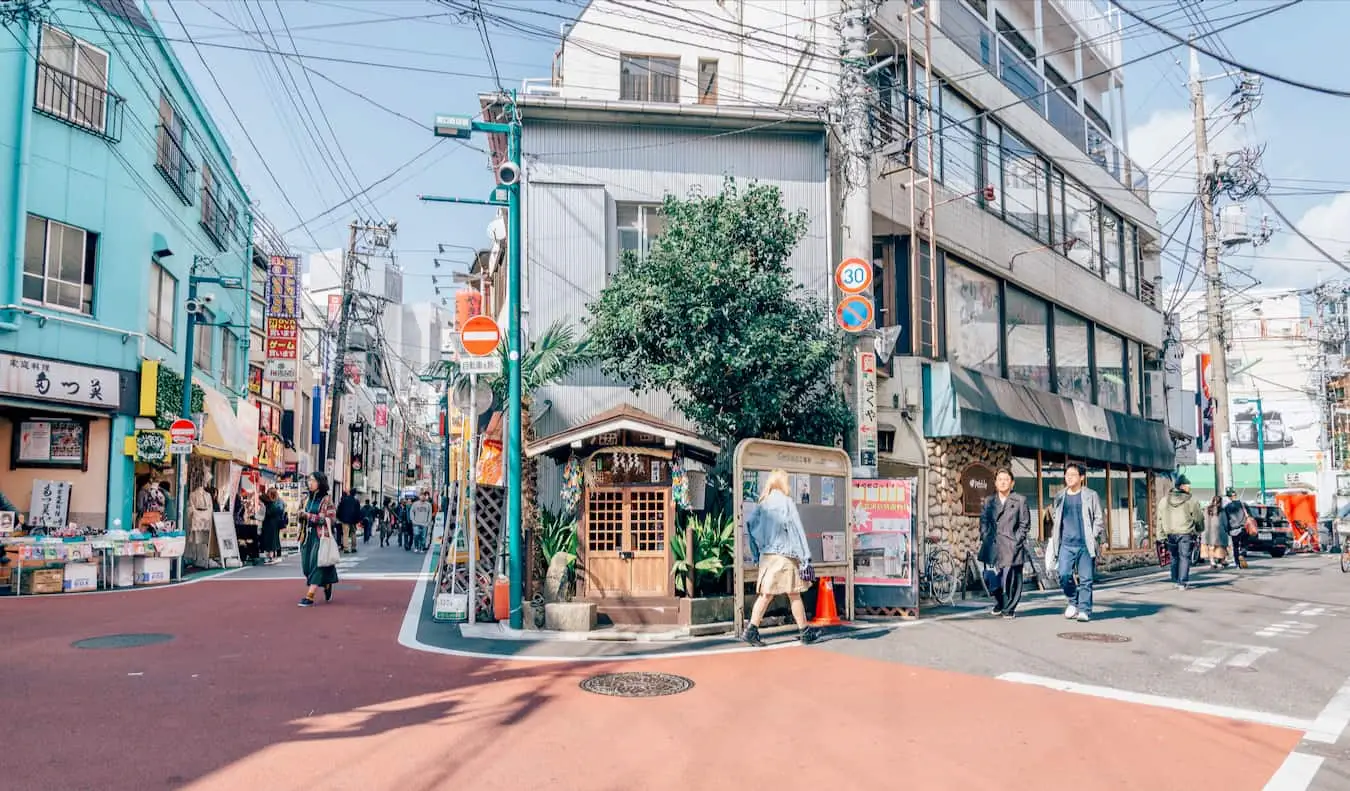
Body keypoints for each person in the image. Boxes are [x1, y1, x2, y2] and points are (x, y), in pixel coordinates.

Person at [742, 469, 820, 647]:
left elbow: (750, 528)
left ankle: (751, 630)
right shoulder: (786, 503)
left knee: (766, 595)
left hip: (767, 557)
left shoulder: (762, 504)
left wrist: (756, 554)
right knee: (794, 594)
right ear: (783, 483)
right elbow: (797, 530)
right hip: (784, 556)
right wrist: (805, 556)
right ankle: (804, 632)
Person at [1045, 463, 1104, 623]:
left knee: (1086, 579)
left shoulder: (1091, 495)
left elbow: (1099, 518)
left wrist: (1093, 534)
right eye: (1067, 474)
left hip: (1085, 544)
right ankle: (1073, 600)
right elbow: (1057, 518)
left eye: (1073, 474)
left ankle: (1084, 610)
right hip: (1066, 544)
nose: (1069, 477)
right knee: (1064, 575)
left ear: (1082, 477)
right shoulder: (1060, 496)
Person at [978, 467, 1031, 619]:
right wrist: (985, 535)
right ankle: (1000, 602)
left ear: (1012, 483)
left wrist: (1016, 540)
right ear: (995, 483)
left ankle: (1009, 608)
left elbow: (1024, 524)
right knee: (990, 578)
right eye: (1000, 479)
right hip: (992, 545)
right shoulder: (989, 501)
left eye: (1006, 479)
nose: (1003, 482)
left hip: (1011, 545)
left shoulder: (1020, 500)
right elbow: (984, 521)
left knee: (1012, 579)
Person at [298, 471, 340, 607]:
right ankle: (327, 583)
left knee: (316, 563)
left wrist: (309, 516)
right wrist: (300, 515)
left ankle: (310, 595)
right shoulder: (306, 499)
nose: (310, 483)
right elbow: (301, 515)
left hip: (320, 536)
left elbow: (331, 519)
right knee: (306, 567)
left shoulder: (327, 500)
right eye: (309, 480)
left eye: (313, 480)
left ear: (320, 483)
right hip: (307, 535)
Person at [1157, 474, 1204, 589]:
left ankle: (1175, 579)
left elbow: (1159, 519)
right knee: (1184, 557)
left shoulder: (1164, 501)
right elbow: (1199, 518)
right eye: (1188, 486)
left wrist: (1160, 535)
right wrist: (1199, 529)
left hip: (1170, 533)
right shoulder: (1191, 501)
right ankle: (1182, 582)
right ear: (1182, 486)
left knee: (1174, 557)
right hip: (1185, 533)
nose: (1189, 488)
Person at [1222, 487, 1251, 569]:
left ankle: (1237, 563)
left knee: (1235, 546)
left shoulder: (1227, 507)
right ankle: (1242, 554)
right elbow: (1249, 515)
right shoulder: (1243, 504)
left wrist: (1227, 530)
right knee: (1244, 544)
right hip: (1244, 527)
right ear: (1236, 495)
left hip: (1234, 529)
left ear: (1229, 497)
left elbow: (1225, 520)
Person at [1201, 494, 1231, 569]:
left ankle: (1212, 561)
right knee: (1222, 547)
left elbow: (1203, 520)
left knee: (1211, 547)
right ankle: (1222, 560)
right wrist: (1227, 529)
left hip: (1208, 531)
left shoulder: (1207, 509)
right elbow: (1225, 522)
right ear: (1220, 502)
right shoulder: (1222, 510)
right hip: (1219, 532)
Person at [260, 488, 286, 564]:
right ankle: (272, 556)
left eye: (268, 493)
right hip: (273, 523)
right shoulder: (275, 502)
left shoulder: (272, 503)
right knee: (272, 539)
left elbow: (271, 512)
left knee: (271, 540)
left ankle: (271, 556)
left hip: (270, 523)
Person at [336, 488, 362, 554]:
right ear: (355, 494)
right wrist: (358, 520)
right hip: (353, 520)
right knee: (353, 533)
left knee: (345, 534)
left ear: (349, 492)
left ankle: (346, 548)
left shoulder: (344, 500)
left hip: (345, 519)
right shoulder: (356, 501)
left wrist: (339, 517)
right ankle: (353, 547)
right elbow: (358, 512)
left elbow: (339, 509)